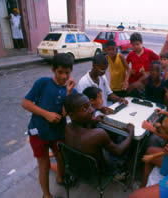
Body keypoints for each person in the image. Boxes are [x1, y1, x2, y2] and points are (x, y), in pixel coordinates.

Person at [22, 53, 76, 198]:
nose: (64, 76)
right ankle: (46, 194)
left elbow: (65, 114)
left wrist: (69, 93)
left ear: (71, 71)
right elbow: (25, 103)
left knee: (61, 158)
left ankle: (60, 177)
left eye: (67, 72)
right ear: (53, 69)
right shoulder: (42, 83)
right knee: (44, 165)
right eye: (60, 72)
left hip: (58, 133)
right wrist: (46, 114)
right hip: (38, 132)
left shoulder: (71, 89)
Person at [64, 93, 134, 172]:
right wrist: (130, 134)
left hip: (81, 169)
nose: (91, 110)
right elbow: (118, 151)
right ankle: (120, 170)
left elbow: (83, 131)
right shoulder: (99, 134)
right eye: (84, 109)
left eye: (90, 105)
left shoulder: (67, 127)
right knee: (125, 139)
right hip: (100, 171)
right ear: (71, 115)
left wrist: (92, 121)